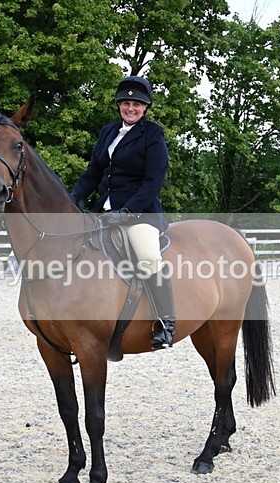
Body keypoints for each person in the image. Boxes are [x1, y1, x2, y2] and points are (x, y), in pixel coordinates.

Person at [69, 75, 175, 350]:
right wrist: (72, 199)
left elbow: (153, 180)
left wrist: (128, 211)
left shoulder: (152, 135)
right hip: (103, 210)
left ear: (145, 107)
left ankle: (166, 323)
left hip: (140, 213)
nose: (131, 108)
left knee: (149, 258)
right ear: (119, 105)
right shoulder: (107, 132)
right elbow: (93, 172)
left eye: (137, 104)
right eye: (126, 103)